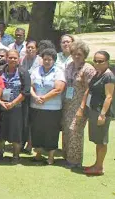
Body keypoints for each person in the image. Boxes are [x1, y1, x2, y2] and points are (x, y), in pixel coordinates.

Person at [61, 40, 96, 168]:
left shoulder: (88, 69)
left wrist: (82, 106)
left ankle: (75, 160)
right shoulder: (69, 65)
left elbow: (89, 89)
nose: (76, 56)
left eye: (79, 54)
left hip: (80, 104)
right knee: (66, 130)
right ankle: (66, 156)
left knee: (75, 130)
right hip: (67, 103)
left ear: (85, 55)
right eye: (74, 53)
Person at [30, 49, 65, 165]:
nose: (47, 61)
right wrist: (35, 96)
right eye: (45, 59)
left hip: (52, 108)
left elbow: (58, 89)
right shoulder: (36, 71)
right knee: (37, 131)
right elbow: (29, 85)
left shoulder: (58, 72)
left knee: (51, 132)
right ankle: (38, 154)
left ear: (54, 60)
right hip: (36, 106)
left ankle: (50, 157)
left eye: (49, 59)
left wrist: (44, 98)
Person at [0, 50, 30, 163]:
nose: (12, 60)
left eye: (15, 58)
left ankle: (15, 156)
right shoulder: (0, 70)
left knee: (16, 132)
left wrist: (13, 103)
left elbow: (26, 91)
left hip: (17, 107)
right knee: (1, 132)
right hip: (1, 106)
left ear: (19, 59)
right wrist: (0, 101)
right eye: (10, 57)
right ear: (6, 58)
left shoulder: (23, 72)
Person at [83, 51, 113, 175]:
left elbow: (109, 97)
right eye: (95, 60)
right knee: (97, 140)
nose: (97, 63)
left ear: (107, 62)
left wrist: (102, 114)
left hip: (102, 112)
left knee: (101, 141)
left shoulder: (108, 76)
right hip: (94, 110)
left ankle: (99, 167)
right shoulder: (98, 73)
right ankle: (97, 164)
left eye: (100, 61)